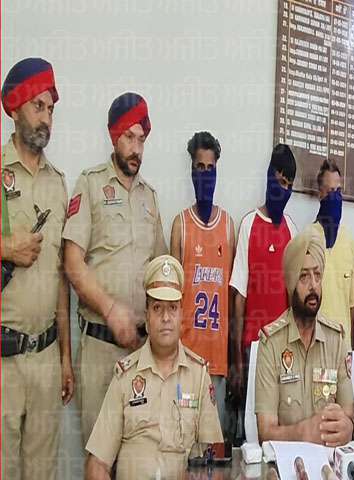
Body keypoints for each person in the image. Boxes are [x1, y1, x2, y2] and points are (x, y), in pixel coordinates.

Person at [63, 92, 167, 443]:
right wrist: (110, 310)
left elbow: (160, 272)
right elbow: (72, 263)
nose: (136, 149)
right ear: (113, 137)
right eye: (129, 138)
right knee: (98, 457)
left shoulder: (150, 197)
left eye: (142, 139)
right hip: (99, 350)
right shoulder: (90, 184)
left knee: (139, 453)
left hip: (141, 351)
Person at [85, 255, 223, 480]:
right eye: (157, 308)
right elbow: (97, 464)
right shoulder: (125, 377)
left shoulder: (199, 377)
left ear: (181, 316)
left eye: (172, 308)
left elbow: (214, 463)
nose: (166, 317)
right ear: (147, 317)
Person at [1, 57, 74, 480]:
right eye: (38, 106)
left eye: (51, 109)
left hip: (46, 359)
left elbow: (61, 279)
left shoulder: (57, 183)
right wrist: (6, 247)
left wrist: (65, 358)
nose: (46, 118)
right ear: (15, 108)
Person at [254, 229, 354, 447]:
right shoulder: (271, 343)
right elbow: (265, 432)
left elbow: (352, 419)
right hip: (285, 462)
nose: (313, 286)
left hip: (328, 460)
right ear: (291, 283)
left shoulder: (336, 340)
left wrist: (348, 428)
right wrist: (302, 432)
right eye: (304, 276)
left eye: (317, 275)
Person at [229, 144, 297, 437]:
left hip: (283, 355)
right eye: (279, 180)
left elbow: (294, 300)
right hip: (253, 350)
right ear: (269, 177)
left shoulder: (292, 230)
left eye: (289, 184)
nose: (283, 189)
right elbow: (238, 298)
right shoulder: (249, 224)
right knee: (250, 433)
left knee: (278, 432)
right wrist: (236, 362)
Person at [170, 131, 235, 429]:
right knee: (182, 440)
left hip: (217, 362)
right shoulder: (180, 225)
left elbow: (231, 301)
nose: (206, 174)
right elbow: (170, 299)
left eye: (211, 168)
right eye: (200, 167)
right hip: (185, 359)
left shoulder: (228, 226)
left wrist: (234, 360)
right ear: (191, 171)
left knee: (213, 444)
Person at [308, 159, 354, 347]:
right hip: (316, 345)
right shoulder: (308, 239)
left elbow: (351, 305)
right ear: (320, 194)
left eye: (338, 192)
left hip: (343, 347)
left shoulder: (349, 242)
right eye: (330, 192)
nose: (335, 198)